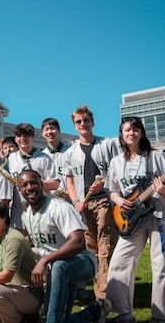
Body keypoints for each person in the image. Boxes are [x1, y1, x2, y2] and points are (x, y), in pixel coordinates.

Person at [105, 116, 165, 323]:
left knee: (162, 263)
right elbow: (112, 191)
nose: (132, 133)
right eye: (127, 130)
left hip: (158, 213)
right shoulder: (116, 162)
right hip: (131, 217)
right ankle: (123, 312)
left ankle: (162, 315)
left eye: (136, 129)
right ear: (121, 134)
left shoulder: (155, 156)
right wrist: (119, 200)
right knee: (120, 262)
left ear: (142, 133)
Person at [18, 170, 97, 323]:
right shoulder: (25, 214)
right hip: (57, 270)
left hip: (81, 262)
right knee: (62, 318)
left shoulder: (59, 207)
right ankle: (95, 311)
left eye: (33, 182)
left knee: (59, 266)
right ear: (19, 190)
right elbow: (35, 240)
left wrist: (44, 260)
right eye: (24, 185)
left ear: (42, 185)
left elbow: (79, 242)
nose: (29, 187)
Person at [64, 105, 119, 301]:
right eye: (78, 122)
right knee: (90, 247)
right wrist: (75, 200)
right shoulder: (71, 152)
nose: (83, 124)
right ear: (74, 125)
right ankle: (100, 288)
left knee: (105, 245)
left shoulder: (107, 144)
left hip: (104, 200)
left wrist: (103, 183)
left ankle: (102, 295)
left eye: (86, 120)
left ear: (92, 122)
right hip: (83, 205)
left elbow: (117, 169)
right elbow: (68, 179)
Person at [41, 117, 72, 200]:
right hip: (49, 201)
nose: (50, 132)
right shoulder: (41, 156)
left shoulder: (70, 151)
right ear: (42, 133)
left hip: (70, 198)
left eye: (53, 128)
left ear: (59, 131)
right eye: (46, 129)